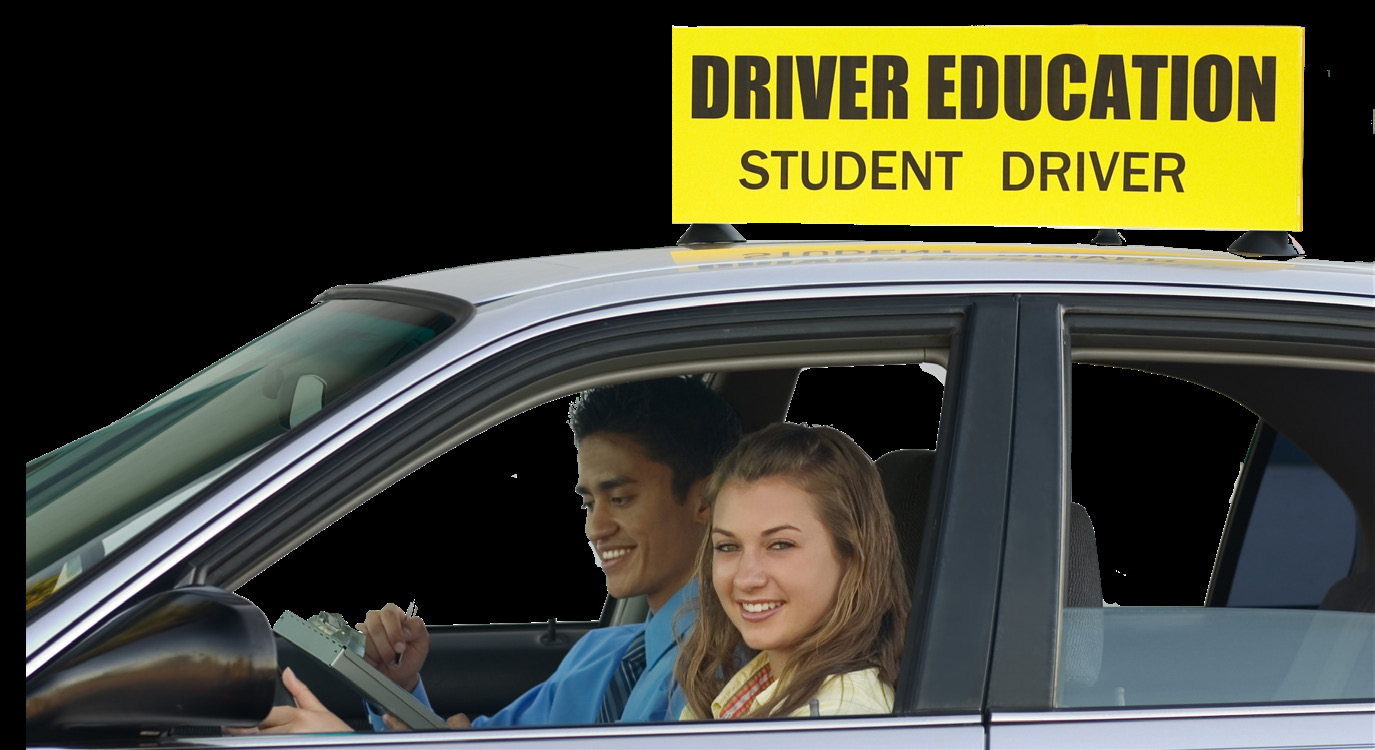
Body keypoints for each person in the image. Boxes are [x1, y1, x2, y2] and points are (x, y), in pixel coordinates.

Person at [246, 376, 741, 733]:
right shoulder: (600, 656)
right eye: (588, 502)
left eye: (621, 498)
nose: (596, 526)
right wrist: (399, 689)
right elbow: (481, 742)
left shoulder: (728, 664)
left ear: (704, 501)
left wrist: (339, 746)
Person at [676, 422, 908, 719]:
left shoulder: (837, 718)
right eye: (728, 546)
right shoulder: (744, 693)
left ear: (852, 555)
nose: (746, 578)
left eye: (781, 545)